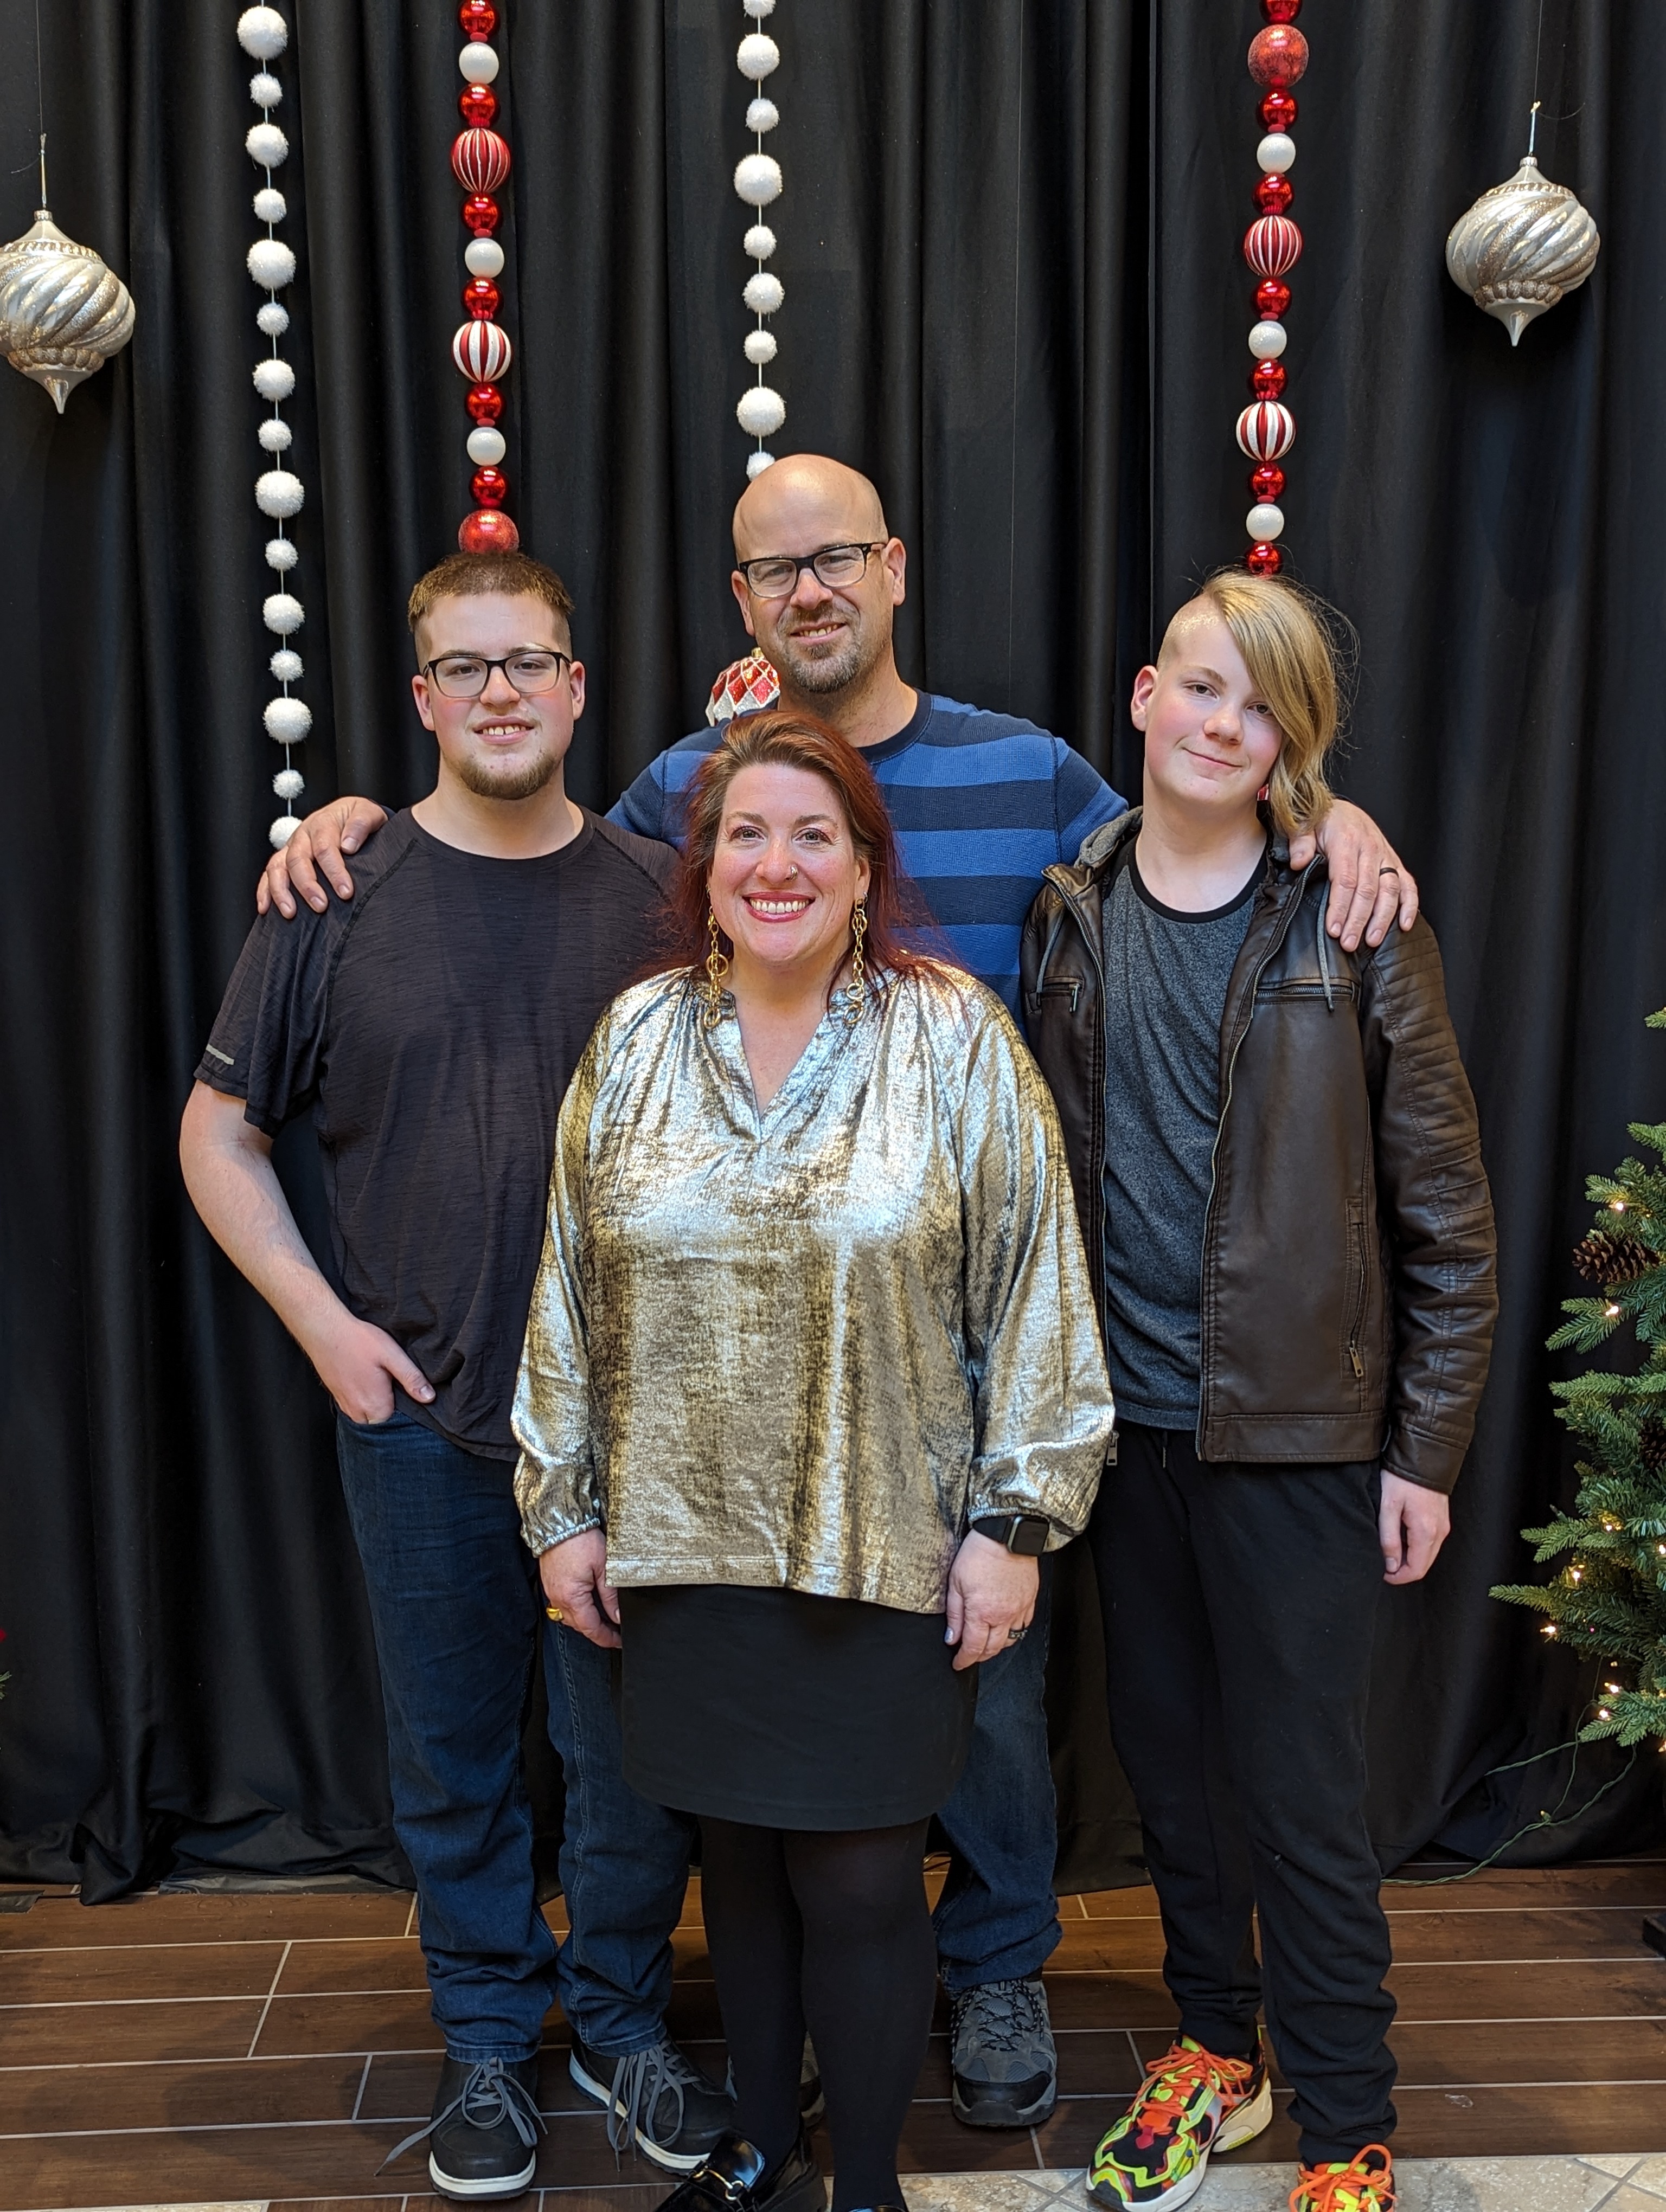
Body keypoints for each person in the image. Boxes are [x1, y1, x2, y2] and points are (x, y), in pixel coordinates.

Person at [255, 454, 1423, 2131]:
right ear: (741, 603)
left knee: (995, 1708)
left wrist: (1328, 816)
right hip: (733, 1403)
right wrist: (355, 821)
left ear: (894, 571)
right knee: (742, 1756)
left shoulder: (1031, 773)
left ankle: (999, 1966)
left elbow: (1200, 822)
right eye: (772, 569)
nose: (808, 590)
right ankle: (749, 2032)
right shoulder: (684, 788)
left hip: (970, 1381)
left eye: (837, 559)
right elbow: (519, 837)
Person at [178, 549, 737, 2202]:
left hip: (635, 1434)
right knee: (454, 1758)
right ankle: (489, 2034)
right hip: (420, 1423)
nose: (503, 693)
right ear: (423, 697)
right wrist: (321, 1325)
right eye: (468, 667)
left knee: (632, 1767)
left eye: (531, 662)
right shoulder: (333, 896)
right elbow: (219, 1132)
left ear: (576, 687)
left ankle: (619, 2021)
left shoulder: (663, 895)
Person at [515, 707, 1116, 2212]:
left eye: (813, 835)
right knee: (742, 1867)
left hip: (885, 1545)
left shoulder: (952, 1036)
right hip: (683, 1550)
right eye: (746, 835)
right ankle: (762, 2152)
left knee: (855, 1879)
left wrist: (1015, 1526)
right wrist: (561, 1508)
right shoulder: (636, 1040)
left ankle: (865, 2194)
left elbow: (1036, 1286)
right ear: (705, 867)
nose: (775, 864)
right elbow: (568, 1287)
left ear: (863, 868)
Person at [1020, 571, 1498, 2212]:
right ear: (1146, 699)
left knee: (1302, 1798)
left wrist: (1426, 1450)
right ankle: (1217, 2048)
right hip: (1128, 1437)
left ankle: (1348, 2124)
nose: (1226, 724)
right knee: (1171, 1776)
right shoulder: (1072, 909)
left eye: (1266, 705)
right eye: (1203, 686)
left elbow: (1447, 1213)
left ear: (1296, 744)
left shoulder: (1356, 921)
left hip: (1301, 1439)